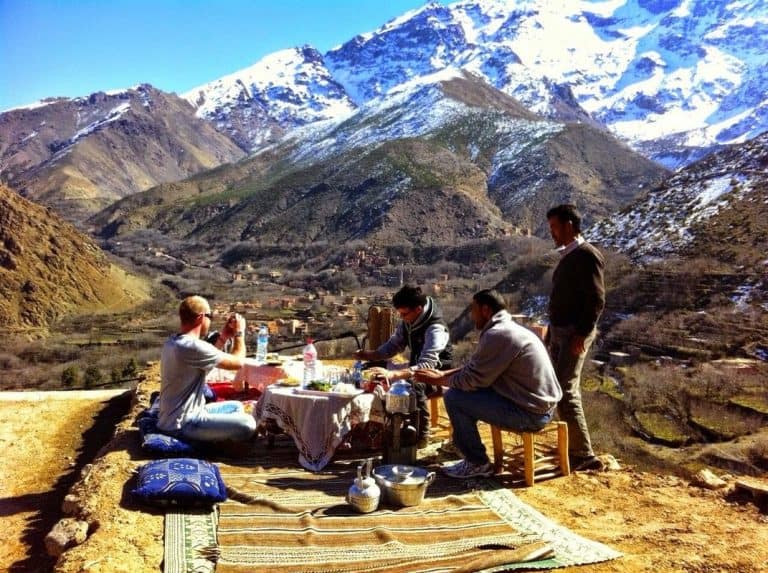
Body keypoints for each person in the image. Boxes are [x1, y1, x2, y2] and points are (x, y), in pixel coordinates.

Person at [413, 289, 562, 478]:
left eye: (473, 310)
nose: (471, 315)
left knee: (455, 398)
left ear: (485, 310)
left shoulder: (498, 335)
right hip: (538, 406)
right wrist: (442, 374)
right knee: (460, 394)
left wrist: (436, 379)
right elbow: (475, 368)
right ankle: (461, 447)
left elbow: (471, 380)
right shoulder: (508, 329)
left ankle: (477, 463)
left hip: (530, 413)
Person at [355, 285, 453, 448]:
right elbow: (394, 346)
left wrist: (395, 375)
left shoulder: (436, 329)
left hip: (437, 372)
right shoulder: (409, 320)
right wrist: (370, 355)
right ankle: (380, 424)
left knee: (417, 385)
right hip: (414, 366)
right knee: (372, 369)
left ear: (418, 309)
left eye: (404, 314)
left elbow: (426, 365)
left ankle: (422, 435)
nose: (402, 317)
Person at [546, 204, 606, 471]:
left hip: (573, 333)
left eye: (555, 227)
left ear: (569, 225)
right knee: (559, 389)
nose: (552, 233)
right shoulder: (571, 255)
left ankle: (584, 455)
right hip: (562, 331)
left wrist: (582, 332)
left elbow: (596, 298)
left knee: (565, 390)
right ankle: (572, 449)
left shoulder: (586, 255)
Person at [157, 295, 257, 446]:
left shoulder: (175, 342)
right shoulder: (192, 346)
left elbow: (207, 359)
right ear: (201, 317)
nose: (211, 321)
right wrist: (239, 333)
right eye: (210, 316)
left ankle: (220, 435)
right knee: (248, 423)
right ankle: (218, 445)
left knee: (236, 406)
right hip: (183, 424)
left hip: (178, 416)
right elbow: (238, 362)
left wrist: (223, 337)